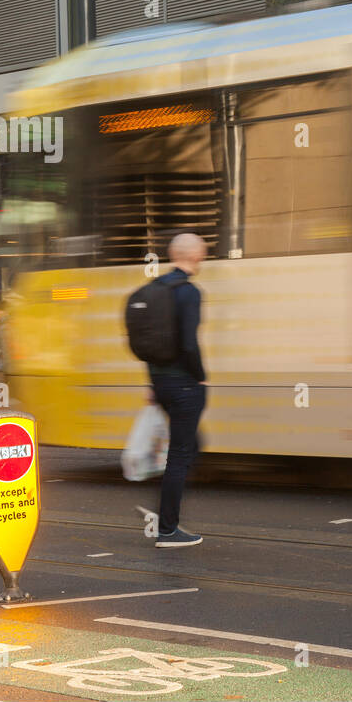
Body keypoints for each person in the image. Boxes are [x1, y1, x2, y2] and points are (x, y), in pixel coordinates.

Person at [147, 232, 208, 548]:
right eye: (203, 251)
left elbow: (151, 342)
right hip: (184, 384)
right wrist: (200, 376)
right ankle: (167, 529)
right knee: (180, 456)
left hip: (161, 381)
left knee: (190, 446)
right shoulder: (188, 292)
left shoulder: (157, 289)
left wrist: (153, 381)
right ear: (195, 255)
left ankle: (166, 502)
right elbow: (188, 343)